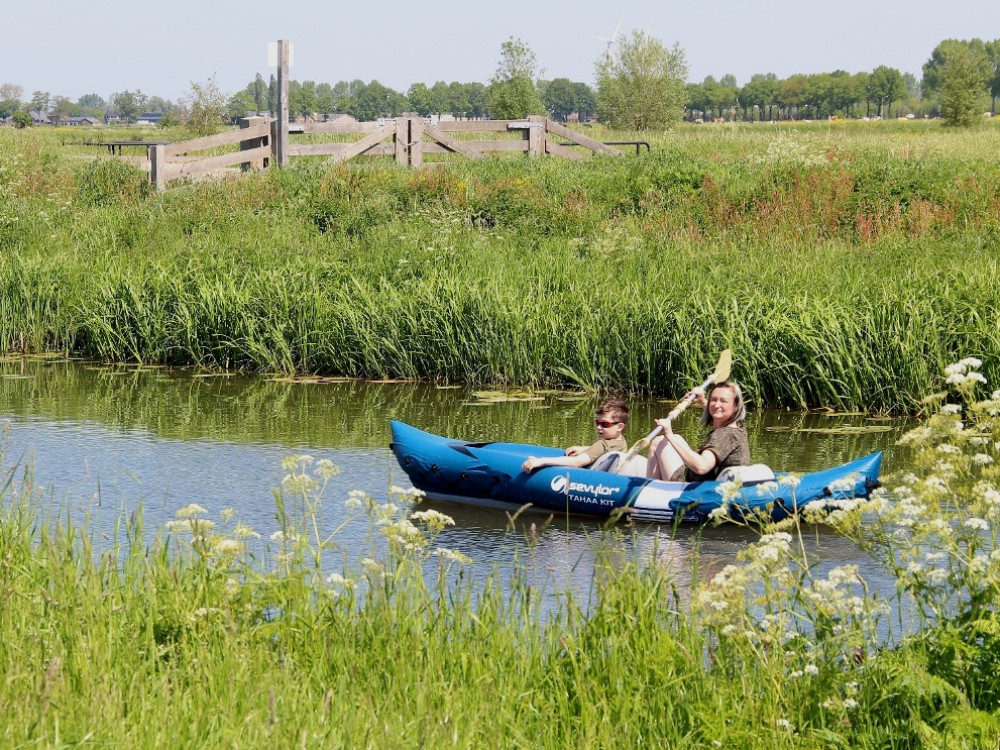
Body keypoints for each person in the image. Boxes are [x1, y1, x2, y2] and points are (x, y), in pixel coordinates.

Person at [646, 381, 750, 482]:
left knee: (658, 442)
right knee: (676, 438)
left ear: (736, 406)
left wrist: (669, 434)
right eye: (713, 400)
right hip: (710, 483)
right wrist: (702, 401)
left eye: (723, 401)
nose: (717, 405)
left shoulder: (724, 435)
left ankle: (650, 492)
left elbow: (702, 467)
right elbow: (719, 416)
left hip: (688, 488)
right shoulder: (738, 427)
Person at [521, 398, 629, 473]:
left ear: (620, 426)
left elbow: (577, 462)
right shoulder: (621, 441)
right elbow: (608, 450)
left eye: (605, 424)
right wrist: (584, 449)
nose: (599, 427)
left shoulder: (602, 443)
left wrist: (540, 461)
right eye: (598, 423)